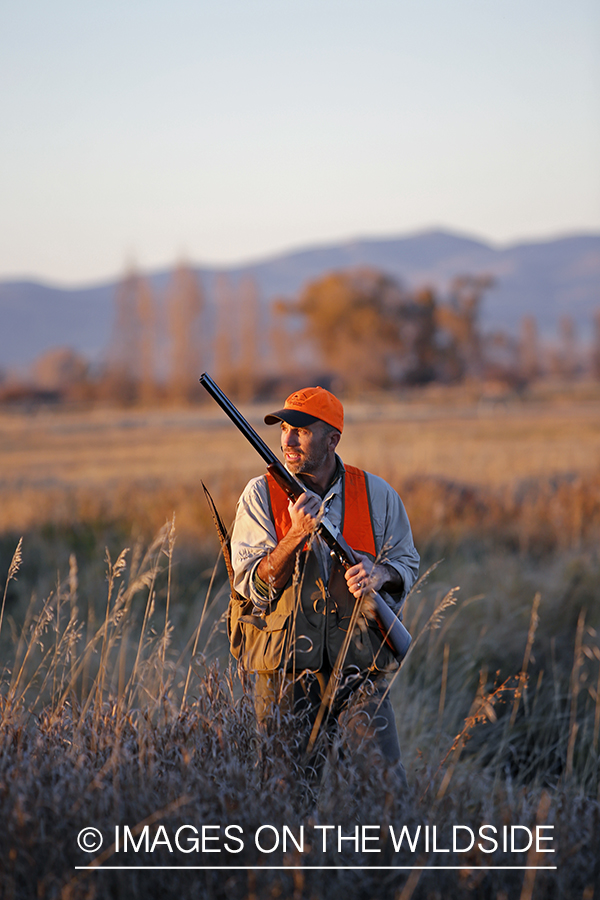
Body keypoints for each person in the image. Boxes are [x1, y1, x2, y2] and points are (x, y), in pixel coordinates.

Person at [229, 386, 419, 785]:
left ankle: (384, 850)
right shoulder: (260, 495)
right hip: (286, 671)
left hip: (359, 668)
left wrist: (380, 574)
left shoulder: (375, 494)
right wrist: (295, 536)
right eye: (283, 428)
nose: (287, 439)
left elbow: (407, 562)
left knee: (384, 788)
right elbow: (252, 586)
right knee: (286, 790)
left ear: (332, 439)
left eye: (301, 430)